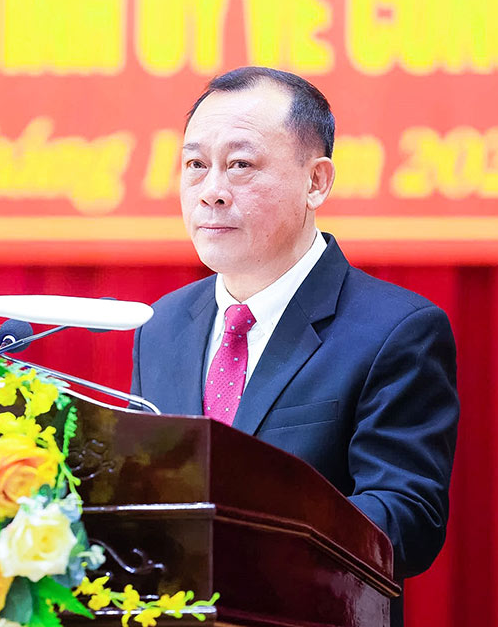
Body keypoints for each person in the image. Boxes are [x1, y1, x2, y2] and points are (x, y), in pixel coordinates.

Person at [130, 67, 459, 625]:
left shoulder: (396, 330)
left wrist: (240, 544)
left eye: (240, 165)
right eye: (195, 165)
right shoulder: (158, 325)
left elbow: (406, 519)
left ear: (316, 182)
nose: (211, 191)